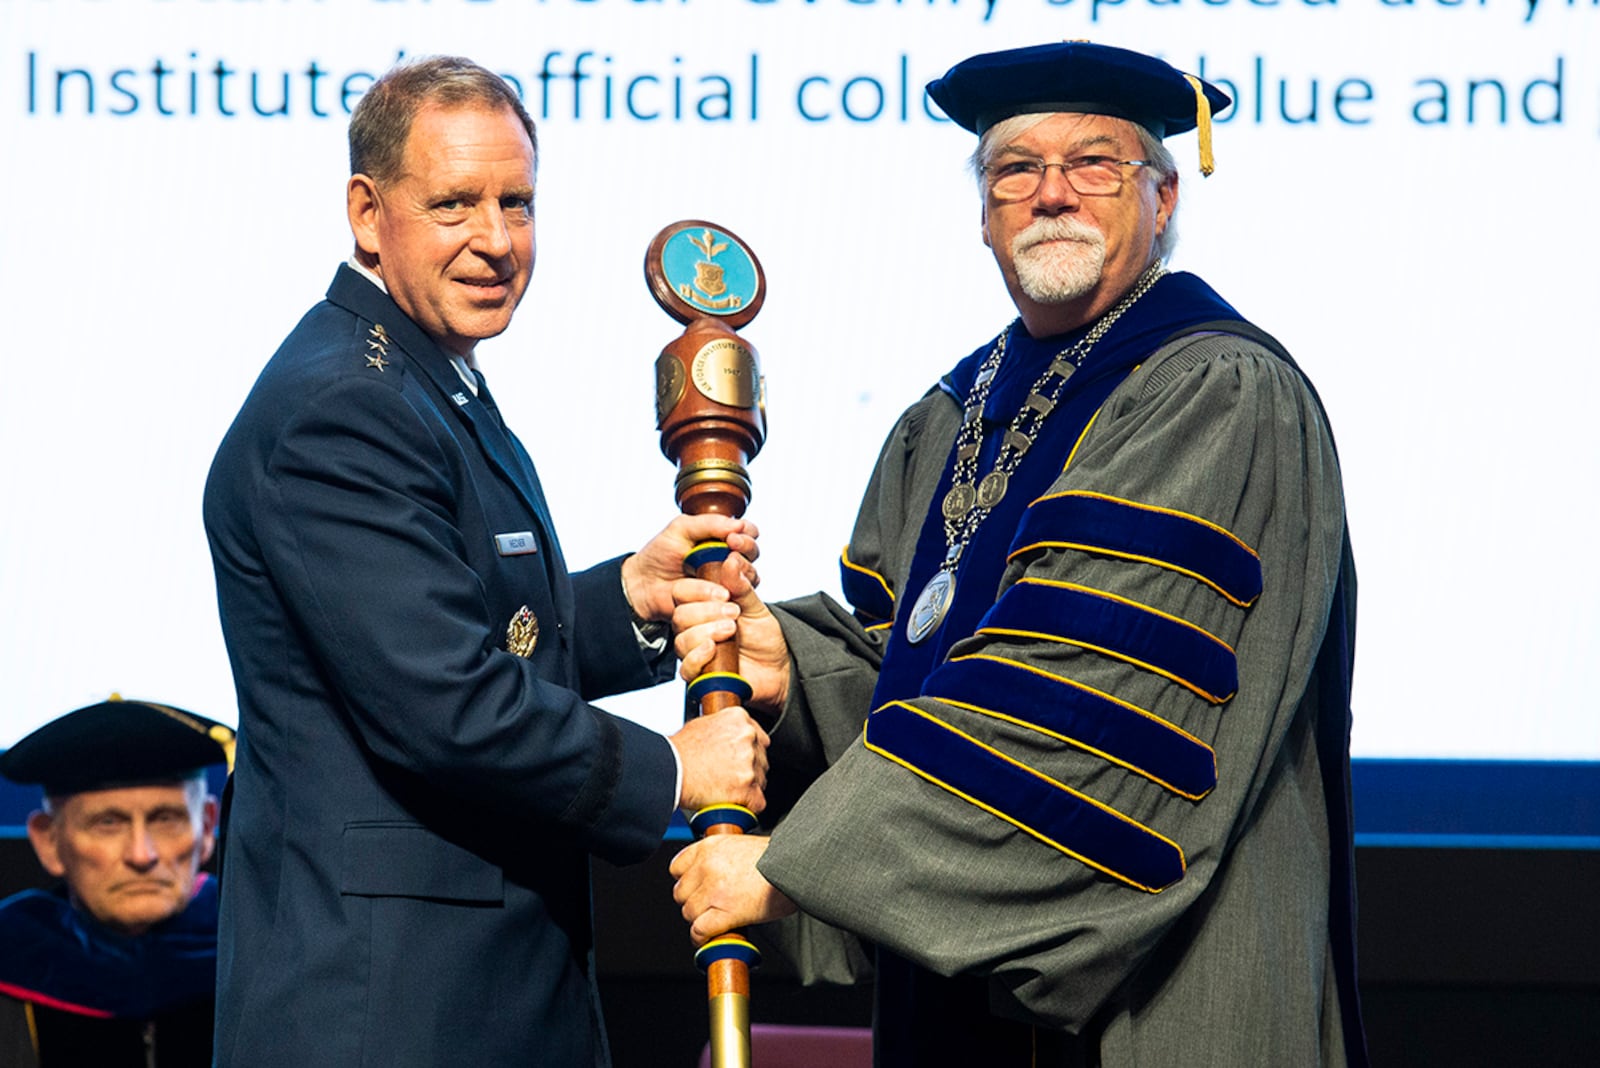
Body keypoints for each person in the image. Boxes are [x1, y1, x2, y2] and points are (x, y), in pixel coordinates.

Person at [668, 41, 1365, 1067]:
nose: (1051, 194)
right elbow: (923, 679)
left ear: (1162, 199)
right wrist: (792, 672)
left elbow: (1081, 708)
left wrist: (793, 870)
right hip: (952, 1014)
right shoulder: (949, 414)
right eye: (1014, 169)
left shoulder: (1214, 391)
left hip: (1159, 1003)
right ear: (982, 208)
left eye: (1093, 163)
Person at [202, 55, 768, 1066]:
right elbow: (445, 707)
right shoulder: (345, 405)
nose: (498, 242)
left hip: (466, 991)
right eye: (455, 204)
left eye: (518, 202)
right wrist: (671, 769)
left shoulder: (420, 373)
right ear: (368, 213)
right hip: (387, 1009)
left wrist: (630, 600)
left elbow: (468, 626)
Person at [0, 697, 234, 1067]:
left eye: (166, 819)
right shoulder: (12, 960)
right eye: (107, 823)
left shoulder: (260, 953)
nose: (142, 855)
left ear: (206, 828)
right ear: (49, 841)